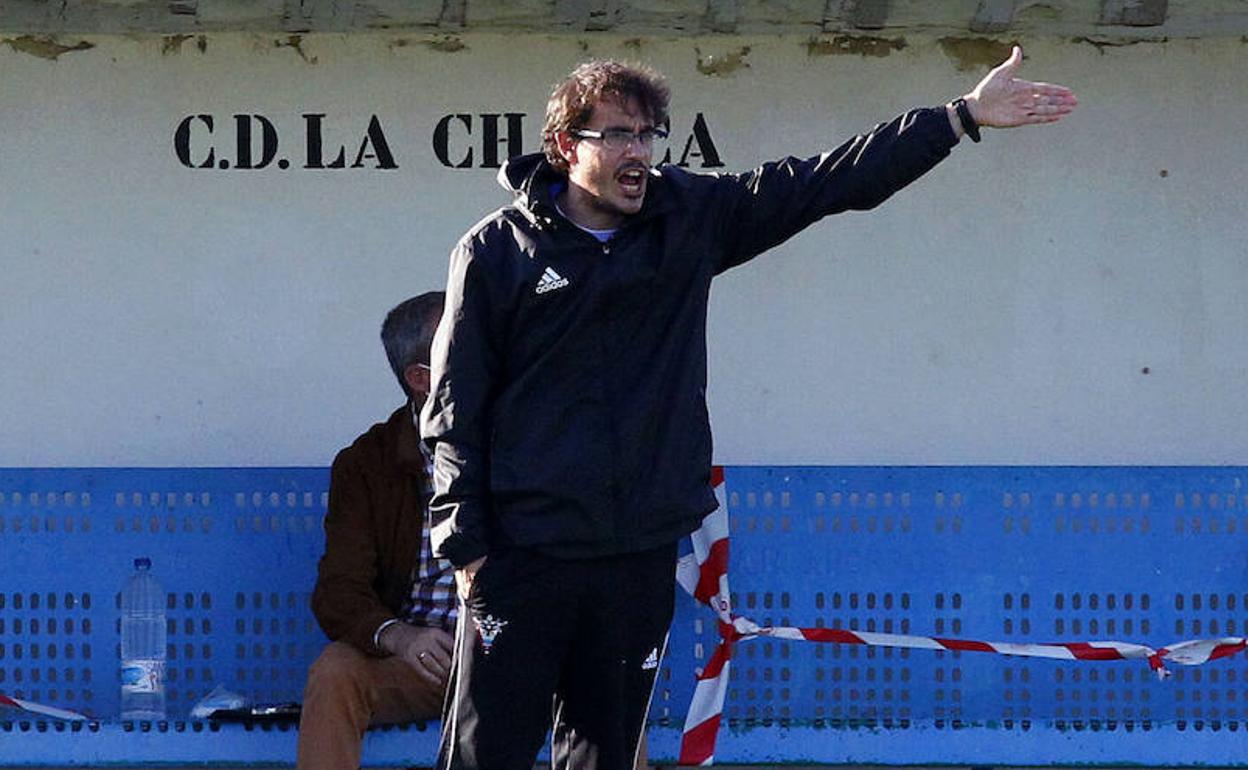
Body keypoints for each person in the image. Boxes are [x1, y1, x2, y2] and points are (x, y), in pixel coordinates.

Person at [422, 50, 1076, 770]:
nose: (638, 153)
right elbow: (455, 407)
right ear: (564, 147)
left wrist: (957, 119)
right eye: (617, 135)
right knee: (488, 756)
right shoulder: (494, 251)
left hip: (636, 552)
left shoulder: (691, 216)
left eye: (648, 134)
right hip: (522, 556)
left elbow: (825, 182)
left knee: (606, 755)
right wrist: (467, 546)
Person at [296, 292, 454, 770]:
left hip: (523, 656)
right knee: (336, 672)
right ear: (422, 380)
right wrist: (401, 638)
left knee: (603, 672)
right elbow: (338, 592)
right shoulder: (368, 465)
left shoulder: (535, 440)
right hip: (426, 665)